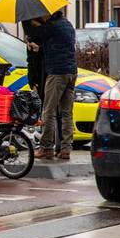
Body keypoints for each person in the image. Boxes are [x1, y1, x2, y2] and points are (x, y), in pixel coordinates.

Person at [30, 8, 77, 160]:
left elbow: (35, 34)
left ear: (49, 14)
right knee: (66, 112)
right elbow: (58, 45)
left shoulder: (52, 26)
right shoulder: (67, 24)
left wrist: (33, 25)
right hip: (71, 72)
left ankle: (46, 148)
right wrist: (41, 48)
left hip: (57, 73)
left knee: (48, 111)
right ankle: (66, 149)